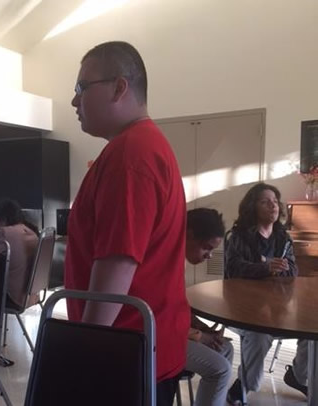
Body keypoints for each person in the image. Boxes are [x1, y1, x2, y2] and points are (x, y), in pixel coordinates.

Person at [65, 41, 190, 406]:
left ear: (119, 87)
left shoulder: (130, 153)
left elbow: (116, 270)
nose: (74, 101)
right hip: (140, 349)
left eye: (81, 88)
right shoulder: (145, 145)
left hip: (122, 353)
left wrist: (84, 357)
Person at [224, 183, 307, 403]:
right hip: (243, 306)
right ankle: (244, 385)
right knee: (259, 334)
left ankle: (299, 376)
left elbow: (292, 270)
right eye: (265, 201)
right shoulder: (239, 236)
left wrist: (266, 264)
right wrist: (265, 267)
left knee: (312, 331)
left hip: (277, 305)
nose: (273, 205)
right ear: (253, 207)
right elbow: (234, 270)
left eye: (275, 201)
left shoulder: (283, 236)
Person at [185, 208, 233, 406]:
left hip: (176, 331)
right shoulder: (166, 262)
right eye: (206, 248)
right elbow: (162, 318)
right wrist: (199, 335)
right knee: (220, 370)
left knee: (226, 348)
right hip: (159, 339)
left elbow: (177, 307)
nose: (210, 256)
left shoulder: (179, 262)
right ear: (188, 235)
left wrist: (202, 328)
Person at [0, 199, 39, 309]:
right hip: (31, 296)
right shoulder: (31, 232)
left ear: (2, 219)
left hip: (13, 297)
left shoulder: (4, 233)